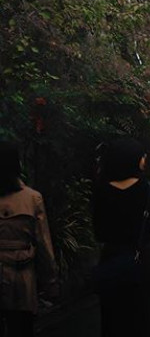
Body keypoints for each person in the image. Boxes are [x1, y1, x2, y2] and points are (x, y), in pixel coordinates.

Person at [92, 137, 150, 337]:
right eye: (142, 156)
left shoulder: (101, 190)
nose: (145, 160)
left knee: (114, 315)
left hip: (112, 256)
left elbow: (98, 230)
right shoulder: (148, 188)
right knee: (146, 313)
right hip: (141, 256)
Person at [0, 141, 58, 337]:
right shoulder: (32, 198)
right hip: (21, 279)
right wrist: (50, 282)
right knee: (21, 328)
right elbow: (43, 244)